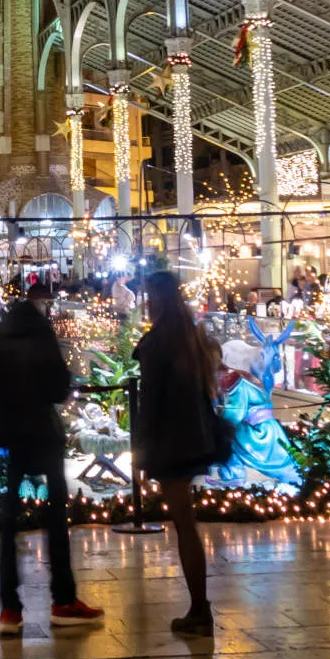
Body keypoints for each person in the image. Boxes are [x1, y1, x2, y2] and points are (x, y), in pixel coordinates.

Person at [0, 281, 102, 634]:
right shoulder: (42, 336)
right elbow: (58, 388)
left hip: (13, 434)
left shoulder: (0, 338)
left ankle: (10, 608)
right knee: (55, 516)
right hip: (44, 434)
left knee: (9, 520)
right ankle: (63, 599)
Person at [132, 271, 232, 639]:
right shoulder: (189, 334)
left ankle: (200, 609)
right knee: (186, 524)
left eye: (149, 297)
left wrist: (142, 455)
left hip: (172, 443)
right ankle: (198, 607)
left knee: (185, 527)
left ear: (156, 299)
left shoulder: (160, 342)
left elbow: (151, 403)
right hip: (193, 438)